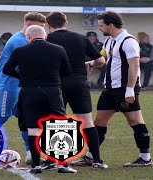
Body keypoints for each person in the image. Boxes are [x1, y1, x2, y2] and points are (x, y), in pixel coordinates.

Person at [3, 25, 76, 174]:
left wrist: (23, 77)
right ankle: (63, 165)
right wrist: (54, 79)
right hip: (53, 92)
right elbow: (67, 71)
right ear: (45, 36)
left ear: (28, 37)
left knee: (33, 129)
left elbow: (6, 69)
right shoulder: (58, 49)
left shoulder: (20, 51)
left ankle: (36, 166)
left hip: (29, 92)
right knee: (59, 127)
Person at [46, 12, 107, 169]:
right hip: (79, 83)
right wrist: (89, 64)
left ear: (48, 25)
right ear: (66, 22)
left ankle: (53, 161)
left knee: (57, 121)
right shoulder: (81, 37)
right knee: (87, 122)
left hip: (57, 84)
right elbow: (101, 60)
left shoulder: (48, 38)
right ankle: (97, 161)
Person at [93, 11, 153, 167]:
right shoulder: (109, 41)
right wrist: (89, 65)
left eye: (101, 26)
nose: (99, 28)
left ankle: (145, 158)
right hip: (109, 89)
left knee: (135, 120)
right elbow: (102, 59)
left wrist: (130, 89)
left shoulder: (129, 41)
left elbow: (135, 66)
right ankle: (91, 156)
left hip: (124, 89)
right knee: (99, 121)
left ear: (111, 25)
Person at [0, 12, 46, 165]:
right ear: (29, 25)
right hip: (9, 84)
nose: (42, 31)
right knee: (2, 117)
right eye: (40, 27)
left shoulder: (24, 38)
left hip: (20, 84)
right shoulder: (19, 41)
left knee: (25, 118)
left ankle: (30, 153)